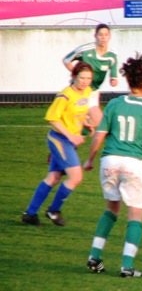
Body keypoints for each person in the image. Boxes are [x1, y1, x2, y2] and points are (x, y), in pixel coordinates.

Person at [83, 53, 142, 278]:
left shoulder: (113, 104)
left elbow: (99, 135)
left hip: (109, 161)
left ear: (128, 82)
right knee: (135, 215)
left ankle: (95, 256)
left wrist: (90, 159)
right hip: (133, 164)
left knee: (111, 209)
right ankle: (127, 266)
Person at [22, 62, 94, 226]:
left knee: (53, 177)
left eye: (88, 78)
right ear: (74, 76)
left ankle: (30, 214)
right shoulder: (65, 95)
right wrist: (71, 136)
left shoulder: (87, 91)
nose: (85, 81)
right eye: (82, 77)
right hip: (60, 139)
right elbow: (52, 118)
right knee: (76, 177)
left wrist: (86, 123)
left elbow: (78, 113)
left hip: (69, 141)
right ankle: (53, 210)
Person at [62, 23, 118, 128]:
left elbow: (114, 75)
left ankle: (78, 135)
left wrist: (113, 80)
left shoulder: (112, 55)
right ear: (95, 36)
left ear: (110, 36)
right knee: (73, 121)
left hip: (93, 92)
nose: (103, 37)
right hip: (78, 91)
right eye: (101, 35)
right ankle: (67, 136)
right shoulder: (85, 51)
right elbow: (66, 60)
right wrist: (77, 74)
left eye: (106, 35)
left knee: (97, 122)